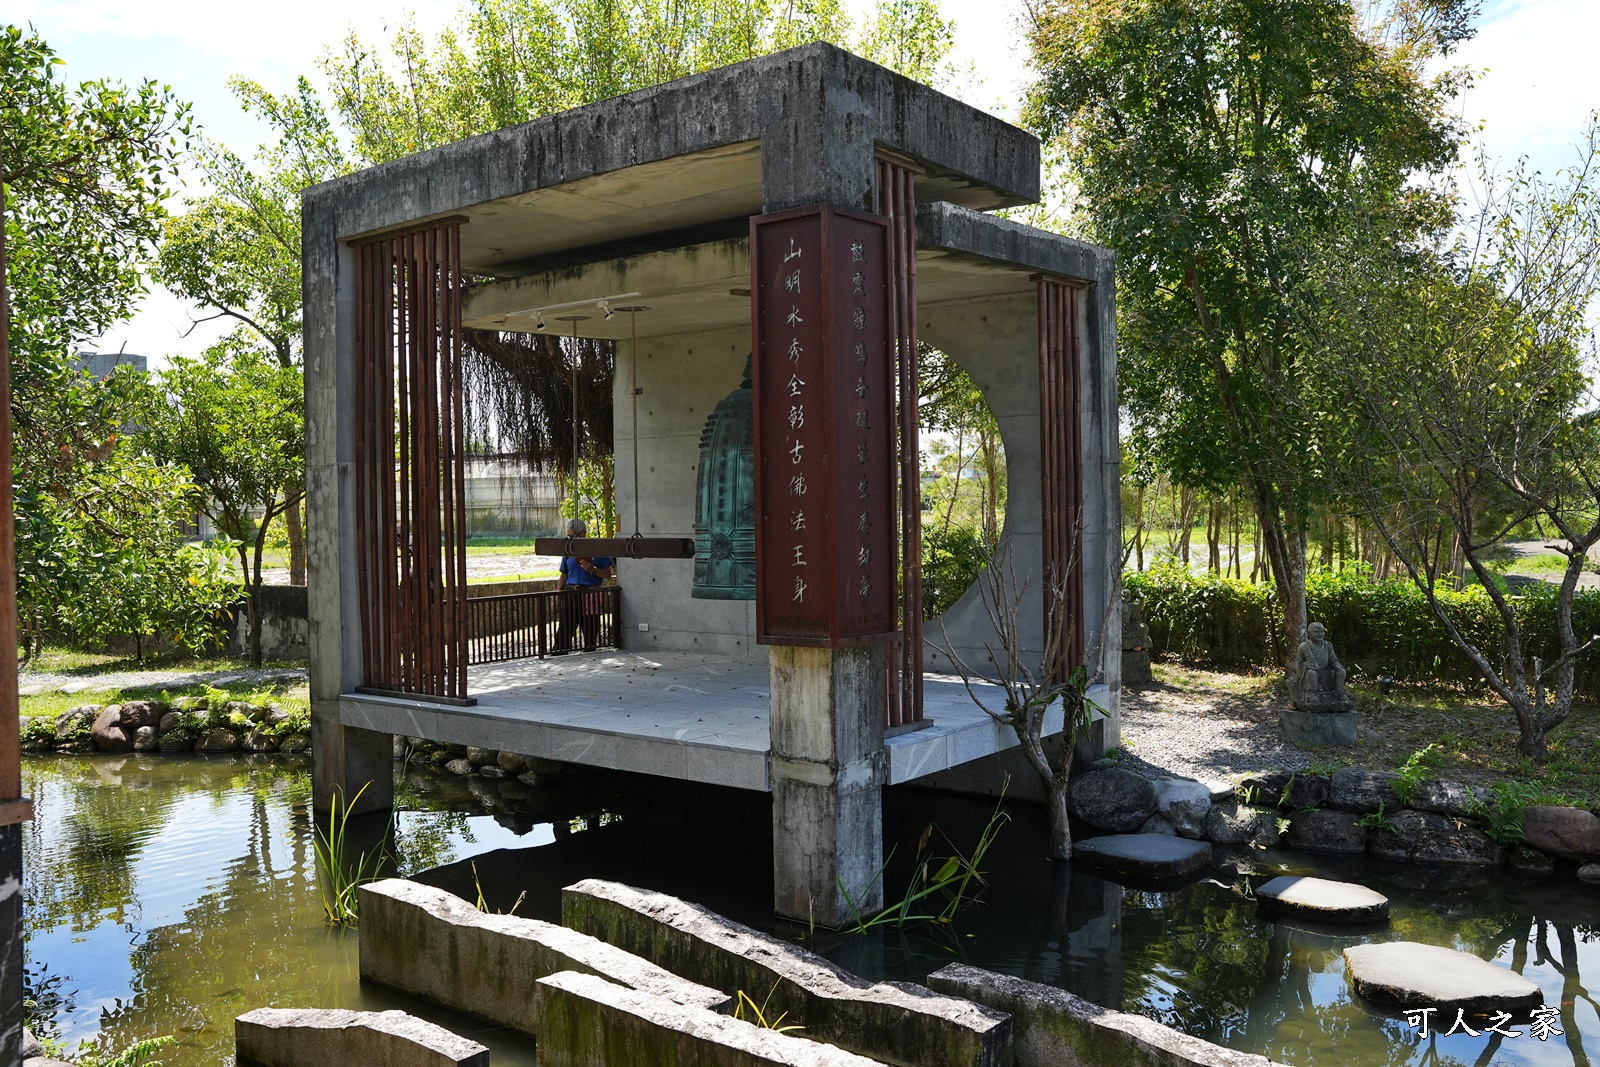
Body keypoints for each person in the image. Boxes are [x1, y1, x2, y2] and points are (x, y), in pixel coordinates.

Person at [554, 518, 614, 653]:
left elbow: (608, 574)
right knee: (564, 629)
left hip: (590, 594)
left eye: (573, 536)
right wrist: (558, 595)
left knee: (590, 630)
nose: (570, 539)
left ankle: (589, 653)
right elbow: (563, 575)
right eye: (568, 536)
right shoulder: (568, 550)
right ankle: (558, 654)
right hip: (570, 593)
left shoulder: (596, 548)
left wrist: (593, 569)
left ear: (583, 533)